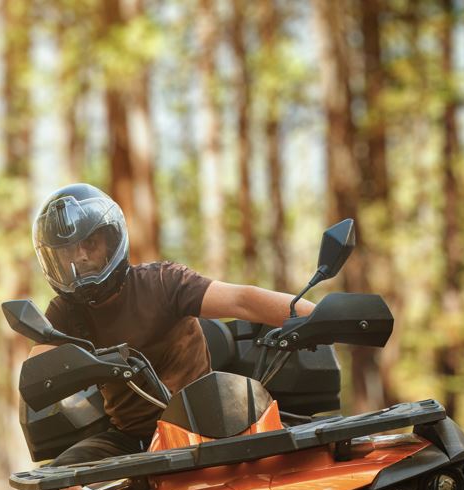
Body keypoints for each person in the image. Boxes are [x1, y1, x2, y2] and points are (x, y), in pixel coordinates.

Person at [30, 182, 317, 466]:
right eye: (67, 251)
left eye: (89, 243)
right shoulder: (65, 312)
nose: (79, 256)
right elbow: (36, 371)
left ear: (110, 239)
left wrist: (320, 316)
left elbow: (242, 300)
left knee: (310, 458)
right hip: (132, 439)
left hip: (208, 422)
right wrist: (79, 365)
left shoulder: (163, 282)